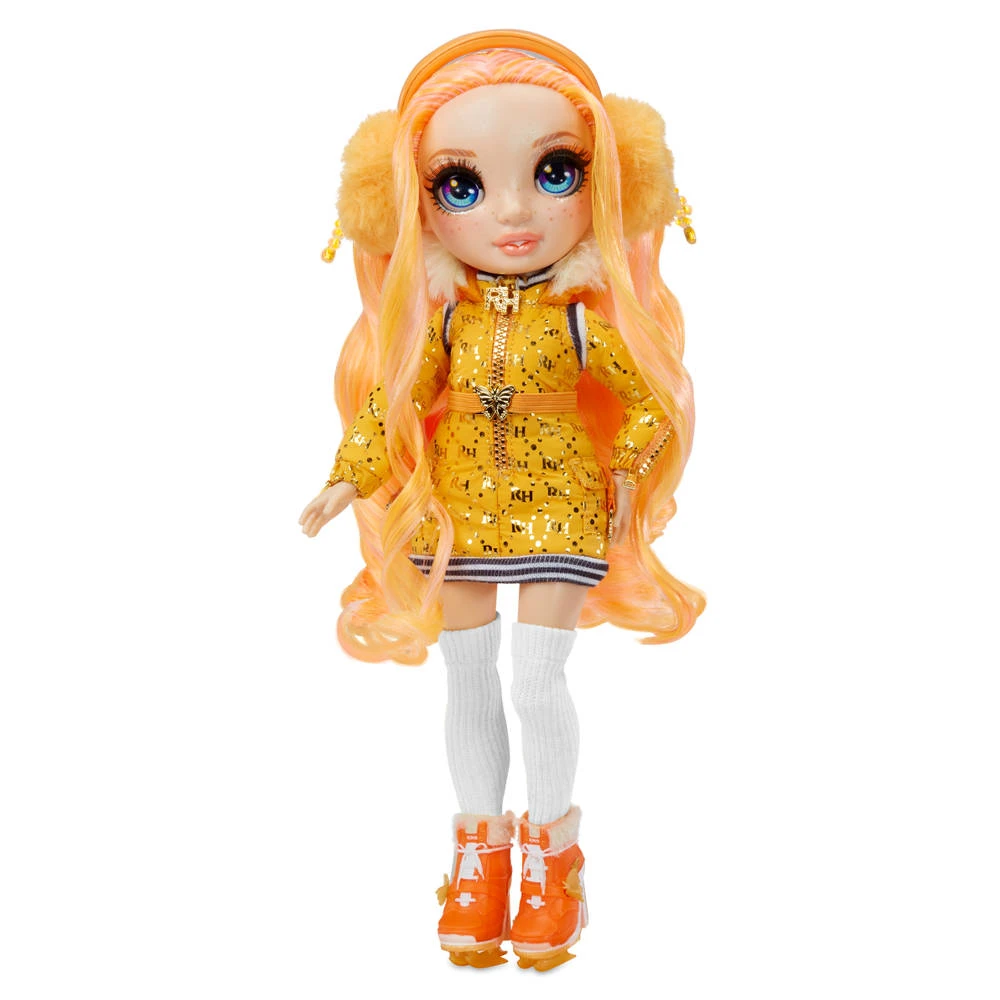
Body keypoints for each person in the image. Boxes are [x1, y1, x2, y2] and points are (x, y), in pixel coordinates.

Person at [299, 30, 704, 970]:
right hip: (457, 508)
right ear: (410, 203)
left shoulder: (581, 320)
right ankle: (479, 857)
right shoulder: (444, 324)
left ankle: (554, 862)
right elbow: (393, 399)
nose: (514, 213)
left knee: (536, 678)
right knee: (468, 676)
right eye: (462, 185)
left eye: (557, 173)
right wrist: (349, 473)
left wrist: (625, 473)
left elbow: (650, 404)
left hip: (563, 504)